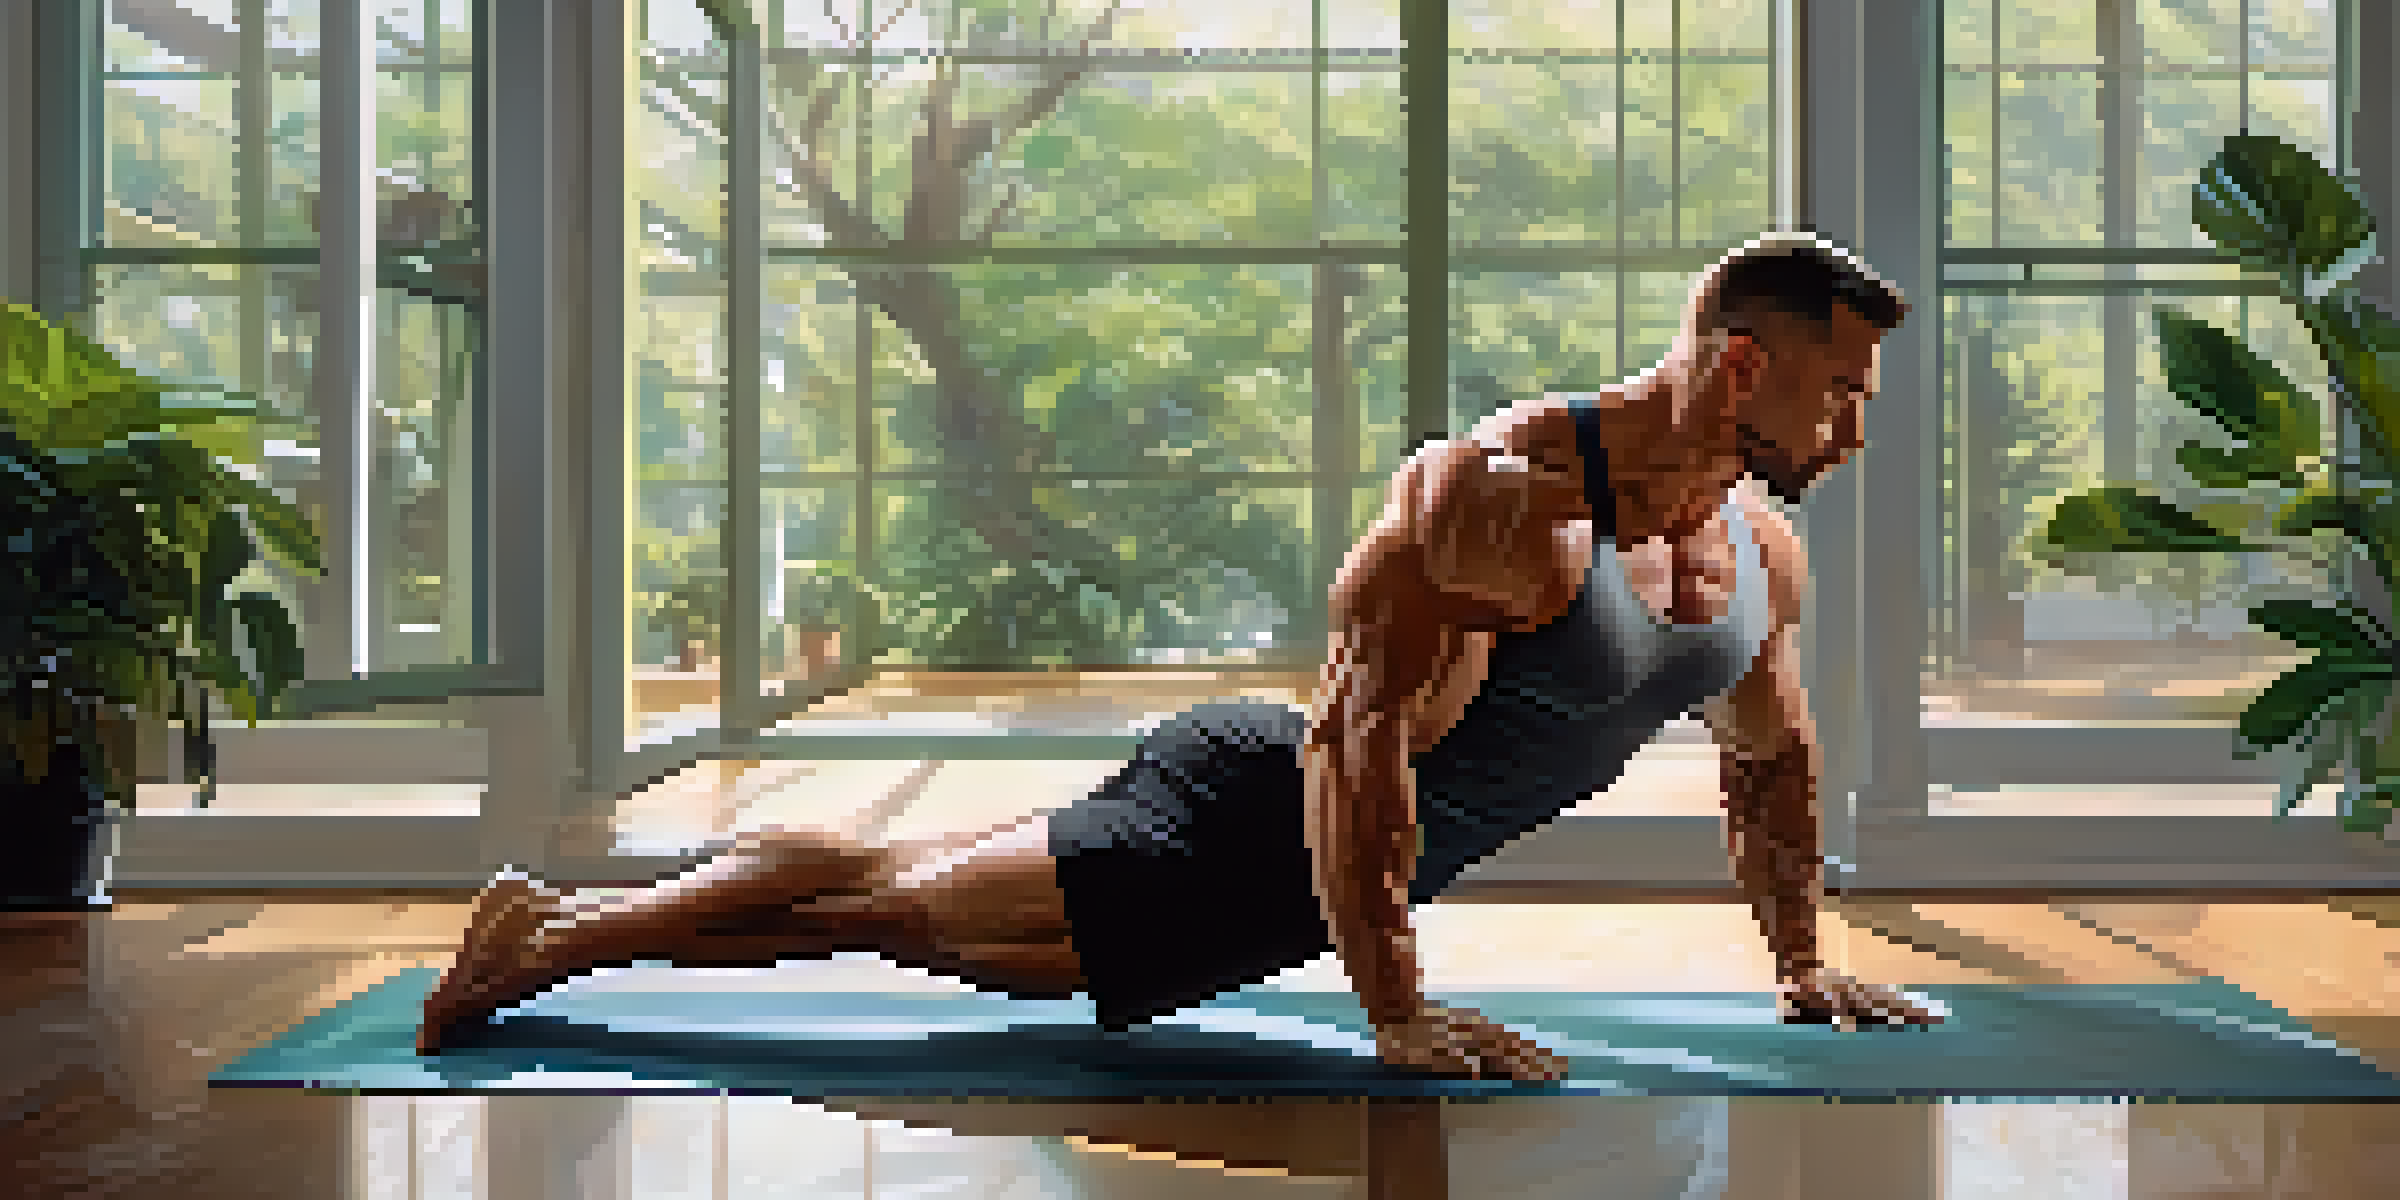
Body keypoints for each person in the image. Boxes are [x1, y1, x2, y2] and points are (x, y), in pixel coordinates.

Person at [417, 232, 1945, 1074]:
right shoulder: (1506, 501)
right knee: (908, 916)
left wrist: (1803, 962)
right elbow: (1355, 754)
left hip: (1305, 864)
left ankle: (551, 935)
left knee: (913, 912)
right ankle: (548, 943)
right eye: (1843, 390)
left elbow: (1772, 758)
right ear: (1744, 362)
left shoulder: (1755, 543)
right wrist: (1394, 1003)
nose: (1858, 427)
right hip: (1251, 826)